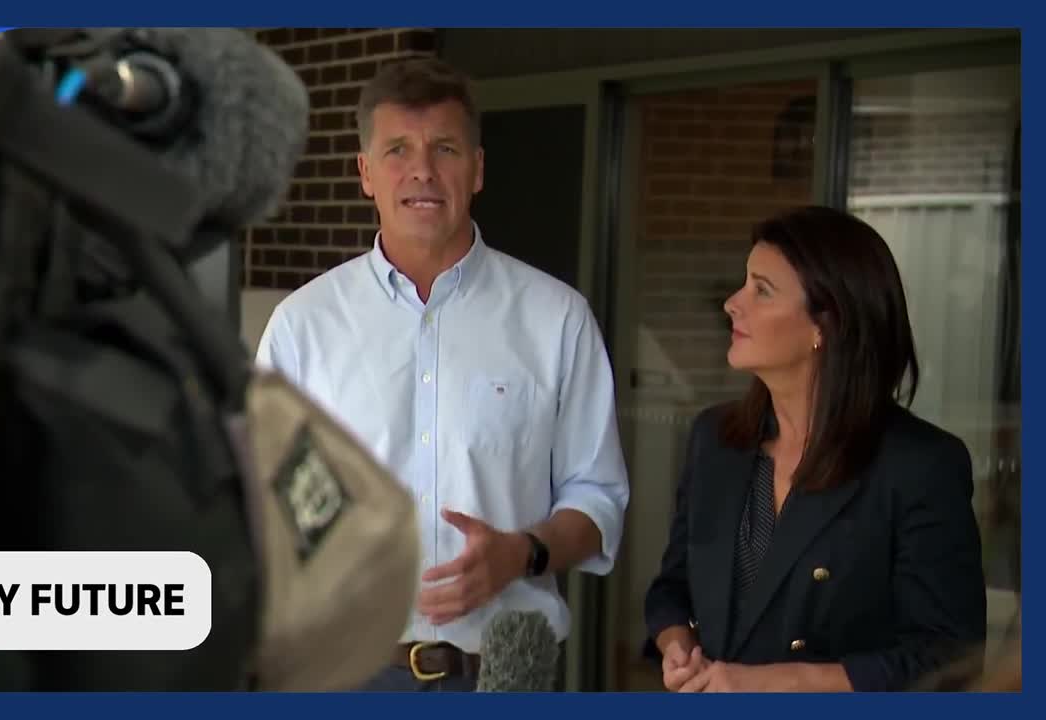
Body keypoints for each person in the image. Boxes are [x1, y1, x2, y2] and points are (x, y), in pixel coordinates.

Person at [255, 57, 629, 691]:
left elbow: (598, 498)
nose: (422, 169)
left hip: (507, 675)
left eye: (445, 148)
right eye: (397, 149)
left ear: (477, 169)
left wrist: (523, 553)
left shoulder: (557, 318)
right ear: (366, 172)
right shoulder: (302, 326)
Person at [644, 205, 987, 692]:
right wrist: (678, 648)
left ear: (826, 325)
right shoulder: (715, 439)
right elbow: (670, 591)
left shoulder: (920, 466)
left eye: (761, 290)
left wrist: (782, 682)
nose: (732, 303)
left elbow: (948, 654)